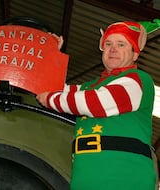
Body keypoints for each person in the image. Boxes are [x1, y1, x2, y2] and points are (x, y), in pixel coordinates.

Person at [36, 21, 159, 190]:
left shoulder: (138, 80)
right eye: (108, 44)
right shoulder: (89, 86)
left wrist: (50, 100)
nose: (113, 49)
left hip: (125, 174)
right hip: (85, 174)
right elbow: (50, 86)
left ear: (135, 54)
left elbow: (94, 104)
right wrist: (50, 53)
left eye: (121, 44)